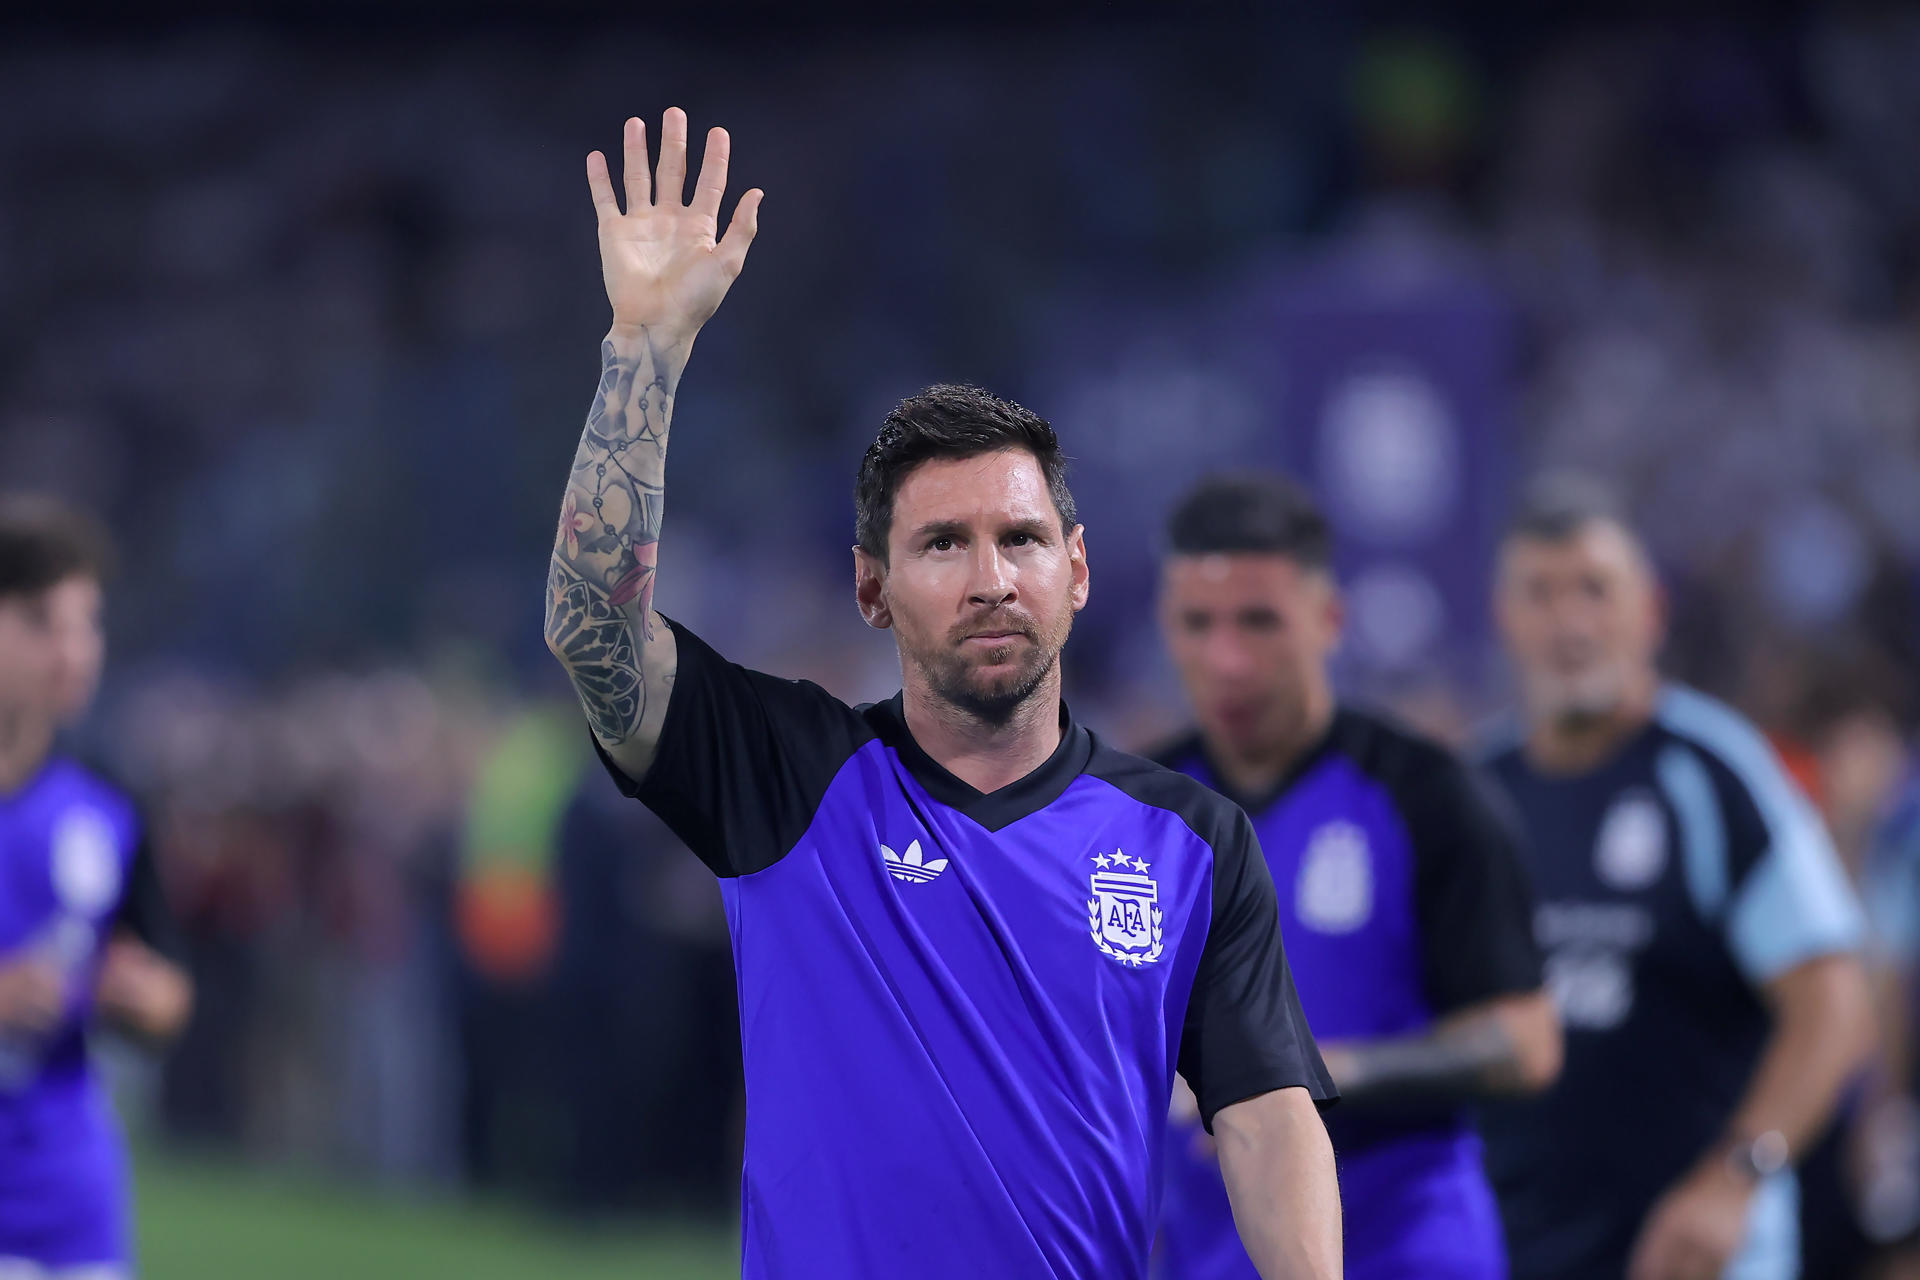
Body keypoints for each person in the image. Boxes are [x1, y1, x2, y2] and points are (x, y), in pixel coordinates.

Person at [540, 110, 1342, 1280]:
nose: (990, 579)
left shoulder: (1190, 841)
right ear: (871, 586)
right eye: (943, 545)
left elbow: (1266, 1113)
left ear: (1076, 567)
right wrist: (644, 349)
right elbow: (590, 628)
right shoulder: (790, 778)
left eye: (1021, 538)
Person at [1150, 473, 1560, 1280]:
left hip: (1405, 1246)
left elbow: (1527, 1041)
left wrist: (1309, 1074)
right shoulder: (1130, 816)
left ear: (1328, 620)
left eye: (1259, 621)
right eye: (1199, 624)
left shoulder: (1427, 796)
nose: (1227, 659)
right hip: (1206, 1254)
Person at [1477, 477, 1876, 1280]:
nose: (1570, 621)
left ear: (1649, 611)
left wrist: (1737, 1176)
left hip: (1698, 1261)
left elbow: (1834, 1004)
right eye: (1541, 594)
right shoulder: (1475, 792)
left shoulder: (1716, 774)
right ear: (1505, 620)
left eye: (1595, 589)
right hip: (1513, 1252)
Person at [0, 496, 193, 1277]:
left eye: (90, 624)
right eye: (44, 622)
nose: (75, 651)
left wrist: (147, 1002)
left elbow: (167, 980)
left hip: (70, 1210)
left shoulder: (107, 806)